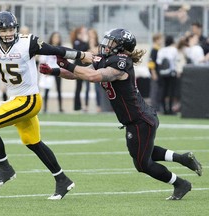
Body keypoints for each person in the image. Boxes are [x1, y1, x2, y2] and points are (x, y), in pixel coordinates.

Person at [0, 11, 92, 200]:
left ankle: (5, 169)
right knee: (33, 143)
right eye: (4, 30)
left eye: (11, 29)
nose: (8, 33)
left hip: (29, 100)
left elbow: (56, 50)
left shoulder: (26, 43)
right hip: (16, 99)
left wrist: (81, 54)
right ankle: (62, 180)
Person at [40, 28, 202, 200]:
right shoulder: (107, 59)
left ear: (121, 47)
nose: (106, 45)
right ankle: (183, 158)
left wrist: (68, 64)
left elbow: (93, 76)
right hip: (135, 119)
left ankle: (180, 183)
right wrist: (55, 71)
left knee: (142, 164)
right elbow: (80, 73)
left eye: (112, 42)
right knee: (143, 151)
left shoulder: (121, 63)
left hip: (140, 119)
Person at [38, 32, 64, 113]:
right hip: (49, 70)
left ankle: (60, 108)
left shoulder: (61, 49)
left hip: (58, 70)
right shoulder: (48, 48)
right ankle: (45, 108)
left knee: (59, 89)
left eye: (57, 37)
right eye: (55, 37)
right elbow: (42, 59)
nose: (56, 39)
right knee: (47, 89)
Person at [70, 26, 90, 112]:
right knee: (78, 87)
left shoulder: (86, 41)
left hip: (87, 66)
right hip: (78, 67)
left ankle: (86, 106)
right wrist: (85, 41)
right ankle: (77, 106)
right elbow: (79, 51)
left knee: (87, 87)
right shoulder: (77, 42)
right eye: (83, 32)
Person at [148, 33, 163, 112]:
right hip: (155, 73)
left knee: (158, 91)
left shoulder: (159, 49)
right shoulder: (154, 49)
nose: (162, 41)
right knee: (155, 91)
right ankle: (153, 107)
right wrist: (153, 73)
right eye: (160, 39)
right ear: (156, 40)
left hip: (159, 74)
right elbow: (151, 62)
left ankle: (157, 107)